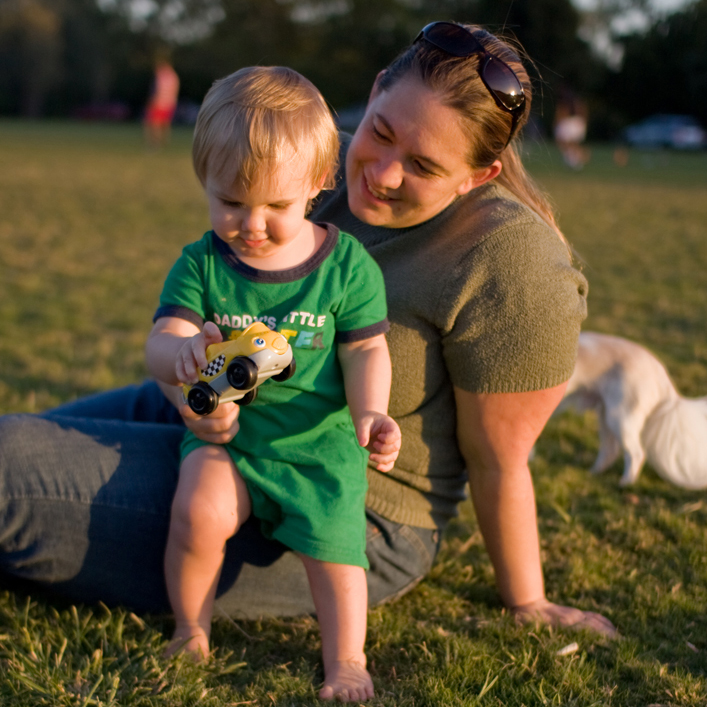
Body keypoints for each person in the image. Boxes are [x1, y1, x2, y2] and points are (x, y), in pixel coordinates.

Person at [0, 20, 616, 700]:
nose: (380, 174)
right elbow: (201, 295)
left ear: (480, 174)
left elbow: (499, 458)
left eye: (424, 166)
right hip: (219, 413)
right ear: (375, 91)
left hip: (341, 499)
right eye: (381, 132)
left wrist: (526, 600)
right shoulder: (312, 168)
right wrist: (187, 391)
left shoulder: (513, 263)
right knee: (18, 442)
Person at [146, 66, 401, 700]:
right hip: (228, 441)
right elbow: (161, 338)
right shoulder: (202, 262)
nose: (252, 224)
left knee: (339, 555)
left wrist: (372, 414)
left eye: (276, 206)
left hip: (319, 449)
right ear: (204, 180)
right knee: (195, 511)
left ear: (317, 185)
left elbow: (368, 349)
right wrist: (179, 358)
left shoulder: (346, 266)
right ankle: (190, 627)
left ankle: (346, 661)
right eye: (231, 202)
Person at [144, 58, 180, 149]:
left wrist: (153, 101)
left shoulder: (161, 77)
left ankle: (156, 142)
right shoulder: (174, 76)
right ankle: (165, 142)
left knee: (154, 123)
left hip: (159, 102)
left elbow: (157, 90)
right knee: (166, 123)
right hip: (170, 103)